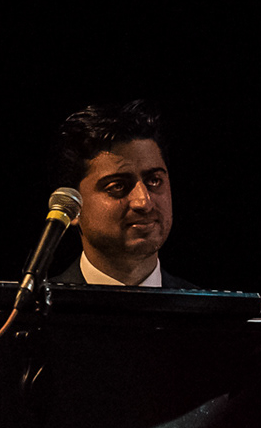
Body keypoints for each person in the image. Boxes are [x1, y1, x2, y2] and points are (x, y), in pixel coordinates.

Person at [49, 101, 196, 288]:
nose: (144, 202)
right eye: (118, 186)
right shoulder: (31, 306)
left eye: (154, 181)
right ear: (73, 207)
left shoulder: (207, 306)